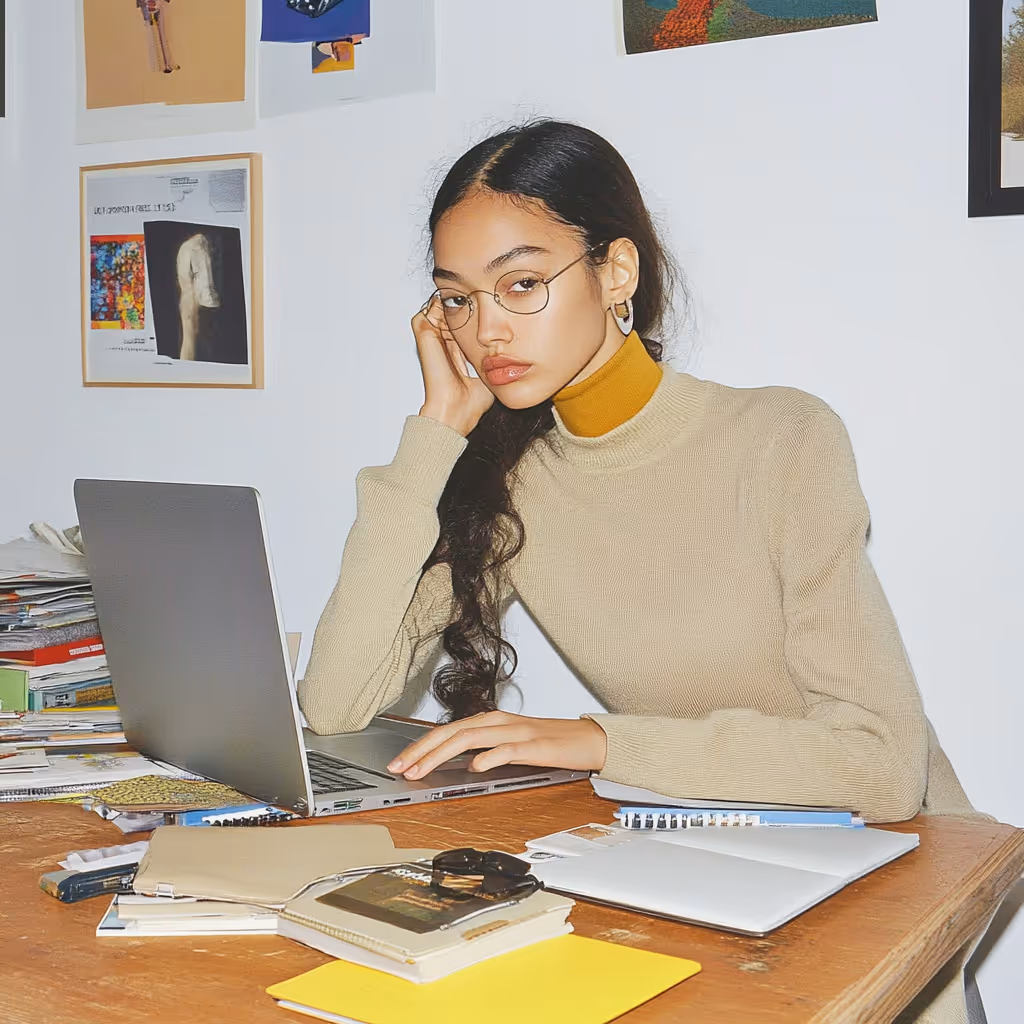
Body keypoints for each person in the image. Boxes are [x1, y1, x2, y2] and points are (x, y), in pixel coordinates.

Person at [298, 120, 983, 1024]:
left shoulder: (782, 438)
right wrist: (434, 433)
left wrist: (603, 741)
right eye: (457, 299)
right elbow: (337, 704)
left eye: (522, 284)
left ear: (616, 273)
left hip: (887, 878)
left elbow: (883, 766)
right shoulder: (514, 480)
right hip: (704, 870)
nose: (487, 326)